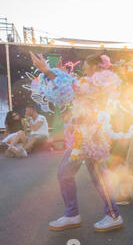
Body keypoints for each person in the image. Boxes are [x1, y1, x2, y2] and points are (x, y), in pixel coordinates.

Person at [30, 52, 124, 232]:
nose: (85, 71)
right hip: (83, 136)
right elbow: (74, 85)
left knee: (92, 176)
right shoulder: (94, 81)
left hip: (91, 138)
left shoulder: (102, 80)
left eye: (87, 67)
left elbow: (74, 87)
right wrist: (57, 73)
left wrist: (49, 72)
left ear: (97, 67)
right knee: (71, 174)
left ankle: (111, 215)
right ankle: (74, 214)